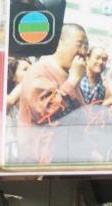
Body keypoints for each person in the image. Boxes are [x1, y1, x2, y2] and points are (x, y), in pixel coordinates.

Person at [16, 23, 89, 163]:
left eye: (86, 46)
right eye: (79, 44)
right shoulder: (39, 71)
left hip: (67, 157)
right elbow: (47, 113)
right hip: (41, 162)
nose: (83, 51)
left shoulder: (69, 74)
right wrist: (73, 81)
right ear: (59, 44)